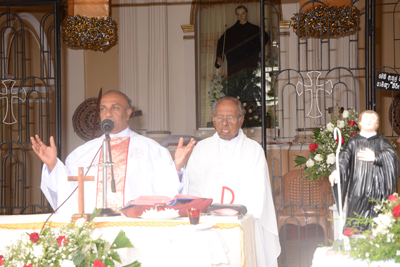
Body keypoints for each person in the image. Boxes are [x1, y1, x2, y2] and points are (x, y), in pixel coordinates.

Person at [32, 90, 195, 215]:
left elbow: (167, 193)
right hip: (95, 230)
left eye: (115, 108)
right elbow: (66, 193)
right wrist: (52, 164)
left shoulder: (151, 150)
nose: (108, 113)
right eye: (103, 109)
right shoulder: (81, 154)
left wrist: (177, 168)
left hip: (136, 228)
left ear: (128, 113)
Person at [183, 96, 280, 267]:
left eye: (231, 117)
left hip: (242, 224)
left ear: (241, 120)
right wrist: (205, 217)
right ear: (213, 119)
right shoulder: (201, 149)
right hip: (208, 226)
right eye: (220, 117)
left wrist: (239, 220)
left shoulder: (254, 150)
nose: (225, 123)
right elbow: (193, 188)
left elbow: (259, 193)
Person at [329, 110, 399, 230]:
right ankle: (354, 239)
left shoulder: (382, 141)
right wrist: (336, 171)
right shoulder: (353, 142)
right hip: (358, 186)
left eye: (373, 118)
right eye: (366, 118)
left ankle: (377, 239)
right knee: (355, 216)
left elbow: (392, 155)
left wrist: (375, 157)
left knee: (378, 215)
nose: (369, 120)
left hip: (378, 187)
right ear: (359, 123)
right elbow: (344, 157)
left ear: (377, 124)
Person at [215, 5, 269, 77]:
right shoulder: (230, 31)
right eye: (238, 14)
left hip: (250, 63)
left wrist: (256, 48)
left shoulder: (254, 29)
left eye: (243, 13)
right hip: (235, 65)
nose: (241, 16)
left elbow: (265, 37)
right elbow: (221, 42)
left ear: (246, 13)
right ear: (236, 15)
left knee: (250, 83)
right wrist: (219, 58)